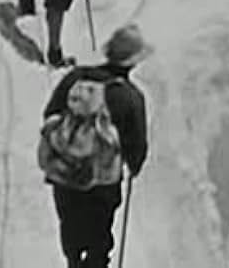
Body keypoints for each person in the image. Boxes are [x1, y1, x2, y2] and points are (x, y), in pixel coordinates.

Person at [43, 23, 151, 268]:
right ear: (132, 62)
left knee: (70, 229)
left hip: (66, 173)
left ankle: (73, 262)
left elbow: (50, 114)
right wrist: (133, 165)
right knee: (99, 240)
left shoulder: (76, 77)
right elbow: (137, 149)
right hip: (102, 182)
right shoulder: (131, 97)